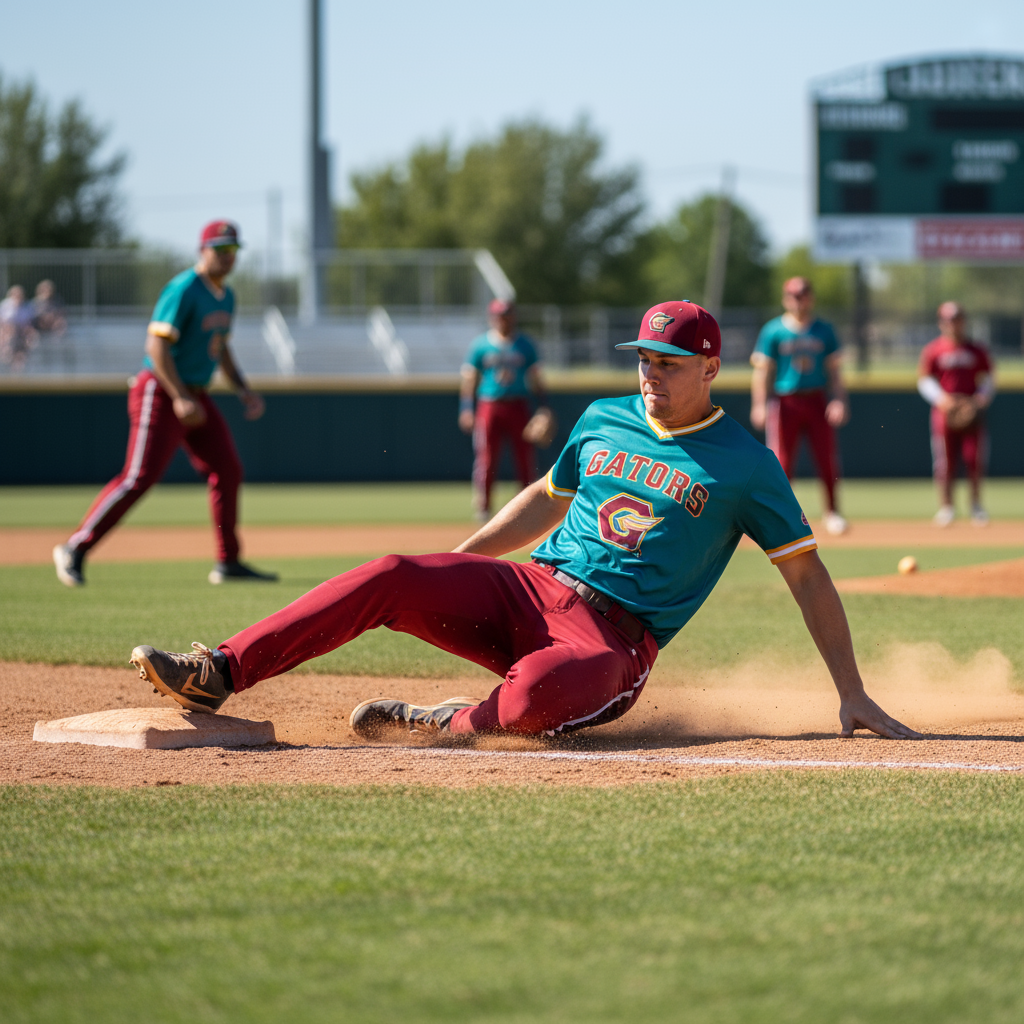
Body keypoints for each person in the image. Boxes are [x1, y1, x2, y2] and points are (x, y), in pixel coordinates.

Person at [130, 300, 920, 744]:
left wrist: (850, 691)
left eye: (668, 363)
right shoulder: (604, 417)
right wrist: (462, 568)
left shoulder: (747, 464)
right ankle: (221, 671)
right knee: (391, 573)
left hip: (611, 642)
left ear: (711, 368)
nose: (649, 373)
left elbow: (807, 575)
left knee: (542, 692)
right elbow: (546, 497)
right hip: (531, 586)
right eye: (643, 358)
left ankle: (445, 723)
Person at [53, 220, 277, 587]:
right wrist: (180, 396)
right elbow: (155, 347)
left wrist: (243, 389)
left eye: (233, 250)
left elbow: (220, 348)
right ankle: (74, 547)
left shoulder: (227, 295)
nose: (227, 257)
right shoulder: (184, 287)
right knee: (138, 477)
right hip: (161, 390)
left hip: (195, 394)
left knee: (228, 469)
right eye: (220, 249)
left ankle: (228, 562)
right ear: (202, 250)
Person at [750, 277, 850, 536]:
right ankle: (784, 517)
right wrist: (759, 404)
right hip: (785, 401)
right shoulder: (773, 330)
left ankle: (832, 512)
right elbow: (762, 372)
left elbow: (835, 371)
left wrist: (839, 399)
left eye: (803, 294)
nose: (799, 299)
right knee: (782, 462)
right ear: (785, 299)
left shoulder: (824, 330)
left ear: (811, 297)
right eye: (793, 295)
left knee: (826, 458)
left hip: (816, 399)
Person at [459, 298, 550, 520]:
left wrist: (544, 407)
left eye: (507, 315)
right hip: (489, 404)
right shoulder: (481, 345)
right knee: (487, 458)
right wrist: (466, 408)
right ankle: (484, 507)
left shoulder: (525, 344)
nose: (504, 319)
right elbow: (470, 378)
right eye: (499, 315)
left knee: (524, 458)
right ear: (493, 318)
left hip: (518, 404)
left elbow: (536, 377)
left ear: (514, 316)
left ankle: (527, 507)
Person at [917, 301, 996, 527]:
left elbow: (988, 379)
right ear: (941, 322)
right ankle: (947, 507)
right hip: (945, 413)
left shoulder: (976, 349)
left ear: (964, 321)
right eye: (949, 319)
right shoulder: (934, 349)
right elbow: (924, 379)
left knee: (974, 459)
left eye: (957, 318)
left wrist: (980, 399)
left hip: (971, 411)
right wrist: (942, 400)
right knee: (945, 462)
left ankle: (976, 506)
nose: (954, 323)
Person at [0, 285, 39, 370]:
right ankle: (6, 352)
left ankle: (20, 361)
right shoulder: (5, 306)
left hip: (22, 333)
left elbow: (30, 324)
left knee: (31, 337)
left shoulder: (27, 307)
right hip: (8, 332)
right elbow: (2, 323)